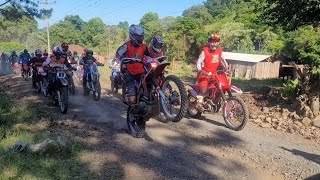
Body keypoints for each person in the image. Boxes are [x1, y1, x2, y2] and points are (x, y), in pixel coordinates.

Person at [114, 24, 150, 105]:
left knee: (148, 83)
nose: (140, 38)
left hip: (141, 70)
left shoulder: (144, 46)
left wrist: (155, 59)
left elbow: (150, 55)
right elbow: (118, 54)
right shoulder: (127, 45)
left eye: (141, 36)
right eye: (138, 36)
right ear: (132, 36)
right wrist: (119, 59)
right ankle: (132, 106)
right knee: (132, 97)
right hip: (128, 70)